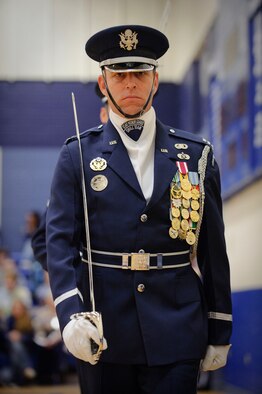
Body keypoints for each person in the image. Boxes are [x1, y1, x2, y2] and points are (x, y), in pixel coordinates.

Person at [45, 25, 232, 394]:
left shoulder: (196, 154)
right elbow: (59, 243)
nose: (130, 83)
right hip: (104, 329)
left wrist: (219, 326)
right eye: (119, 74)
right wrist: (69, 316)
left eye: (140, 73)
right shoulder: (77, 155)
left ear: (156, 80)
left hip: (178, 325)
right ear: (104, 83)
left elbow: (213, 249)